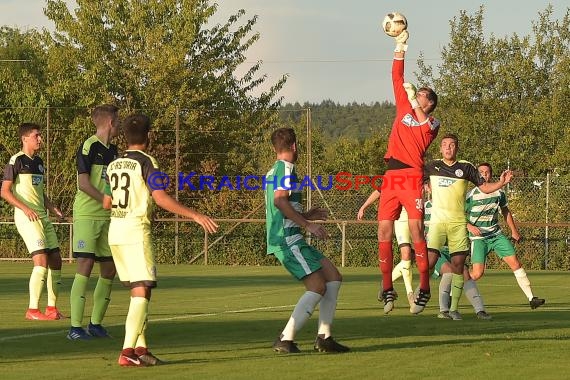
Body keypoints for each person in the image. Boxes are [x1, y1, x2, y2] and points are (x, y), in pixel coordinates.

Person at [102, 113, 218, 366]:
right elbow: (161, 197)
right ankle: (127, 352)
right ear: (149, 136)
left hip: (116, 231)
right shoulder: (147, 162)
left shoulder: (114, 163)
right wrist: (196, 215)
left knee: (140, 291)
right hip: (134, 231)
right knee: (142, 289)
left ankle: (141, 349)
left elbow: (106, 201)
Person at [265, 127, 349, 354]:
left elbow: (284, 205)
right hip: (287, 240)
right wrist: (308, 225)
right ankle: (285, 339)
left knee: (333, 276)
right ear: (294, 146)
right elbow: (280, 202)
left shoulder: (276, 169)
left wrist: (307, 215)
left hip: (292, 237)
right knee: (317, 286)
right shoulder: (285, 168)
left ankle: (325, 337)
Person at [377, 28, 440, 314]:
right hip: (392, 175)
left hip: (412, 176)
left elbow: (421, 120)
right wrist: (399, 47)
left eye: (424, 94)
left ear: (430, 103)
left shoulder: (432, 124)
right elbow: (397, 78)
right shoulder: (406, 105)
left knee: (415, 229)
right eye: (420, 92)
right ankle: (387, 289)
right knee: (384, 231)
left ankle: (424, 287)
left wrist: (415, 101)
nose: (419, 93)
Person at [425, 134, 513, 320]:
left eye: (452, 145)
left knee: (463, 272)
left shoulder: (464, 170)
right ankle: (427, 297)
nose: (448, 148)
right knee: (443, 268)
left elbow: (484, 187)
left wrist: (501, 183)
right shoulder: (426, 200)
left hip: (455, 238)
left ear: (456, 148)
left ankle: (471, 310)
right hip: (439, 248)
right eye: (444, 145)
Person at [1, 122, 65, 320]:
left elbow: (39, 192)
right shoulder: (16, 161)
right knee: (41, 260)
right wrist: (26, 208)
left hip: (42, 216)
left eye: (40, 135)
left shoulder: (38, 162)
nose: (40, 139)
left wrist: (52, 207)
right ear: (25, 138)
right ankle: (32, 310)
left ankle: (52, 308)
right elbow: (4, 191)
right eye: (36, 135)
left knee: (56, 260)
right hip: (26, 217)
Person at [68, 105, 120, 340]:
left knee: (109, 269)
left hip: (107, 218)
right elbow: (83, 183)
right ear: (110, 122)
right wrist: (104, 200)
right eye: (118, 120)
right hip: (87, 215)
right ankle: (75, 328)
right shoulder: (88, 145)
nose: (119, 125)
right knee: (85, 266)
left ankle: (96, 324)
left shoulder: (115, 152)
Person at [466, 163, 545, 309]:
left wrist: (514, 231)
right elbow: (459, 215)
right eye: (481, 172)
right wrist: (469, 226)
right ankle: (453, 291)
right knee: (477, 274)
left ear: (491, 174)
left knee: (515, 263)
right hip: (479, 238)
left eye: (487, 172)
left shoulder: (499, 193)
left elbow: (505, 211)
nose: (485, 174)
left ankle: (531, 298)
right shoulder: (471, 194)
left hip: (496, 235)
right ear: (477, 175)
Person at [424, 191, 491, 320]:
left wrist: (468, 225)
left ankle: (480, 311)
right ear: (428, 187)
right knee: (449, 271)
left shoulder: (452, 206)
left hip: (453, 249)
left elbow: (461, 220)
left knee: (465, 273)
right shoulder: (425, 207)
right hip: (435, 250)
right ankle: (444, 310)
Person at [358, 190, 415, 312]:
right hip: (402, 218)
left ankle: (385, 283)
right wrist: (363, 207)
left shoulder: (420, 173)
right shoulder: (395, 175)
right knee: (406, 254)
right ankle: (411, 296)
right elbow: (379, 191)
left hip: (418, 217)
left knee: (412, 260)